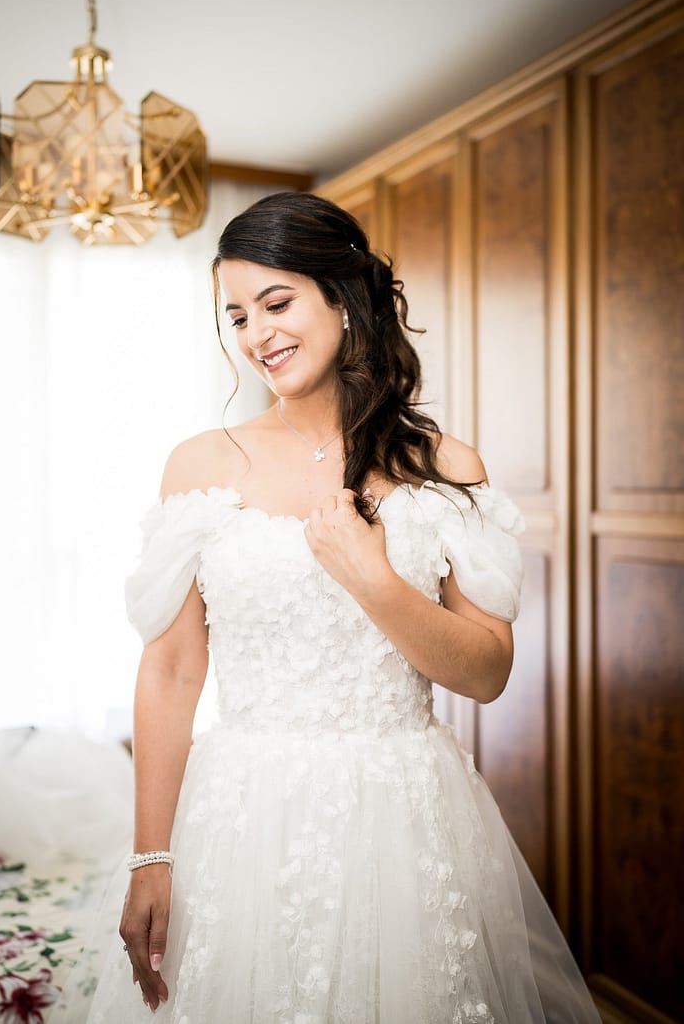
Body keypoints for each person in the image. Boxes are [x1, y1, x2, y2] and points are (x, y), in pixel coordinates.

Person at [77, 193, 601, 1022]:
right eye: (237, 315)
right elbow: (173, 669)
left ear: (343, 297)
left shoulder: (442, 464)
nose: (256, 335)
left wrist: (374, 581)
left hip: (403, 815)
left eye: (276, 303)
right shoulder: (202, 464)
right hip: (241, 812)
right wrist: (151, 853)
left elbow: (488, 671)